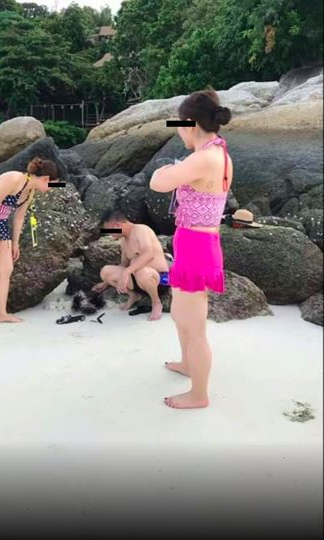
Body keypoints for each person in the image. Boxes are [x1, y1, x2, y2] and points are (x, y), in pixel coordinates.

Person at [150, 88, 233, 409]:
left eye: (179, 125)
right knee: (180, 316)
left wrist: (162, 171)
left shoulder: (205, 158)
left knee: (193, 325)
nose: (178, 131)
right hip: (195, 244)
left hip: (197, 247)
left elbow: (158, 183)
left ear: (190, 124)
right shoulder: (217, 152)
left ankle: (199, 394)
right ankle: (187, 364)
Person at [0, 157, 59, 333]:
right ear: (46, 178)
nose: (51, 189)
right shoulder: (14, 178)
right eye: (52, 185)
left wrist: (15, 243)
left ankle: (1, 313)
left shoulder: (30, 191)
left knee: (6, 270)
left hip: (1, 223)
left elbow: (19, 217)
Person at [92, 209, 170, 321]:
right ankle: (134, 295)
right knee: (106, 272)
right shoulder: (124, 241)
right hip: (138, 281)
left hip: (159, 280)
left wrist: (127, 271)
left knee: (143, 272)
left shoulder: (141, 230)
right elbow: (124, 264)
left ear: (117, 225)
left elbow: (149, 255)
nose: (110, 235)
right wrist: (105, 283)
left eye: (110, 230)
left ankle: (156, 302)